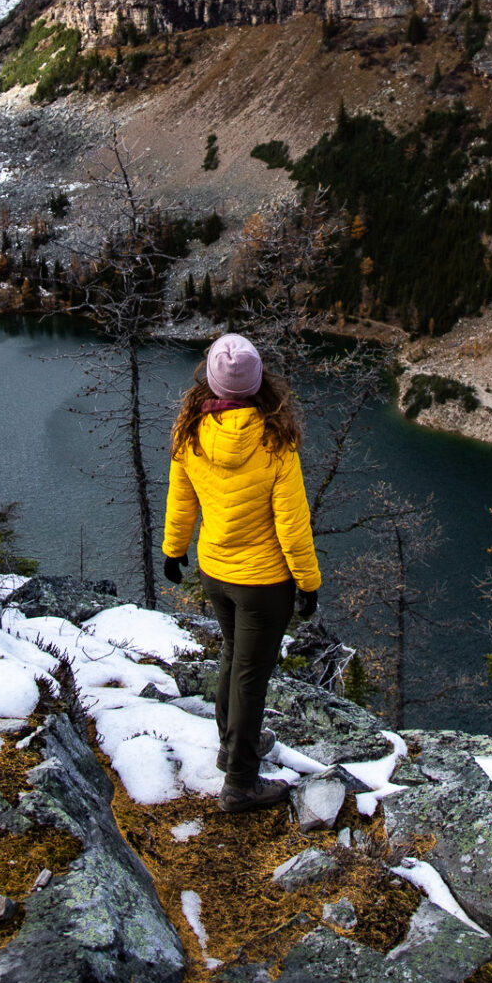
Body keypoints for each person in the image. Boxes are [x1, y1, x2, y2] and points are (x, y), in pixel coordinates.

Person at [161, 332, 321, 813]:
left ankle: (232, 747)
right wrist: (308, 582)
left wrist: (173, 550)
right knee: (252, 676)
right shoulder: (274, 441)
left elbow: (181, 498)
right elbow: (293, 524)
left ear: (210, 380)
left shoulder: (191, 431)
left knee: (234, 658)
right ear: (258, 385)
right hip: (263, 581)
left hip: (215, 569)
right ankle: (240, 784)